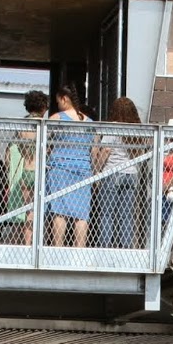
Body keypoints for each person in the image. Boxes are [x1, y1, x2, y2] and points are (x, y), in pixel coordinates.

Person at [46, 84, 95, 248]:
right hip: (83, 169)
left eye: (58, 101)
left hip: (60, 168)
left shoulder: (57, 117)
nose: (58, 105)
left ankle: (58, 248)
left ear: (64, 99)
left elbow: (43, 139)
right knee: (81, 214)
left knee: (60, 212)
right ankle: (79, 249)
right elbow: (93, 150)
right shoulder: (90, 122)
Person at [94, 97, 144, 249]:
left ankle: (106, 248)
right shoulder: (136, 128)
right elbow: (138, 153)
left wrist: (97, 171)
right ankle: (127, 248)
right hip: (131, 174)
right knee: (127, 215)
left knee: (107, 213)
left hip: (112, 172)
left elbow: (106, 150)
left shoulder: (113, 126)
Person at [8, 89, 48, 244]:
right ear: (43, 107)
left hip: (26, 170)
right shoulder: (44, 125)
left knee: (25, 209)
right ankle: (31, 243)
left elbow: (19, 149)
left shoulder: (22, 125)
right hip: (40, 171)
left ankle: (23, 244)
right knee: (34, 211)